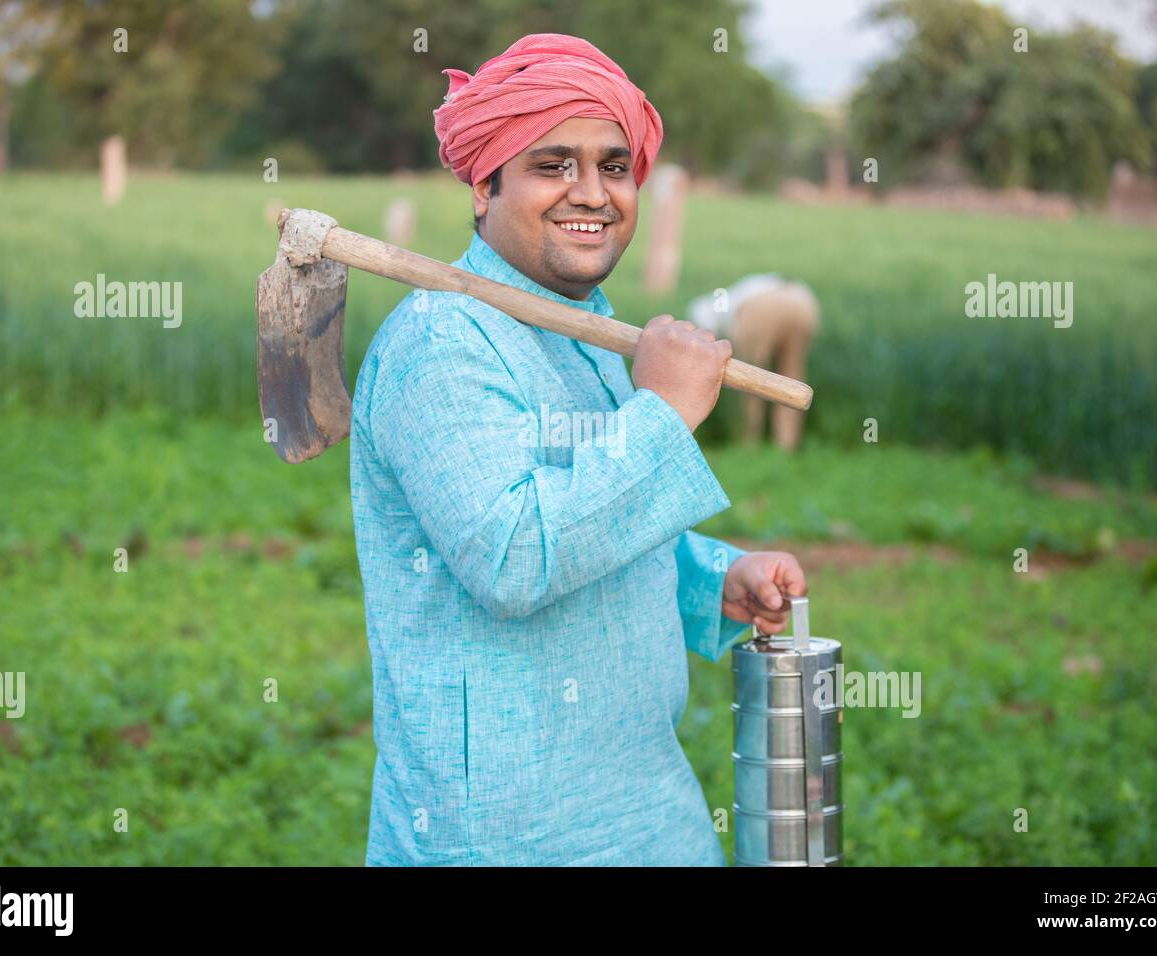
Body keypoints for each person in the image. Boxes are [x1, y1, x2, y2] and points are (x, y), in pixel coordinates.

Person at [349, 33, 807, 866]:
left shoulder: (588, 332)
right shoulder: (440, 344)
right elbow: (513, 556)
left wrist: (710, 578)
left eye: (615, 166)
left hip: (647, 813)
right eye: (553, 164)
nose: (593, 192)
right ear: (484, 185)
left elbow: (594, 520)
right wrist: (663, 412)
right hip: (503, 835)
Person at [688, 275, 821, 451]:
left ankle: (749, 444)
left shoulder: (702, 312)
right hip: (802, 300)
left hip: (760, 307)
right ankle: (787, 446)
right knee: (792, 377)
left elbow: (708, 346)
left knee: (750, 382)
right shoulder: (733, 293)